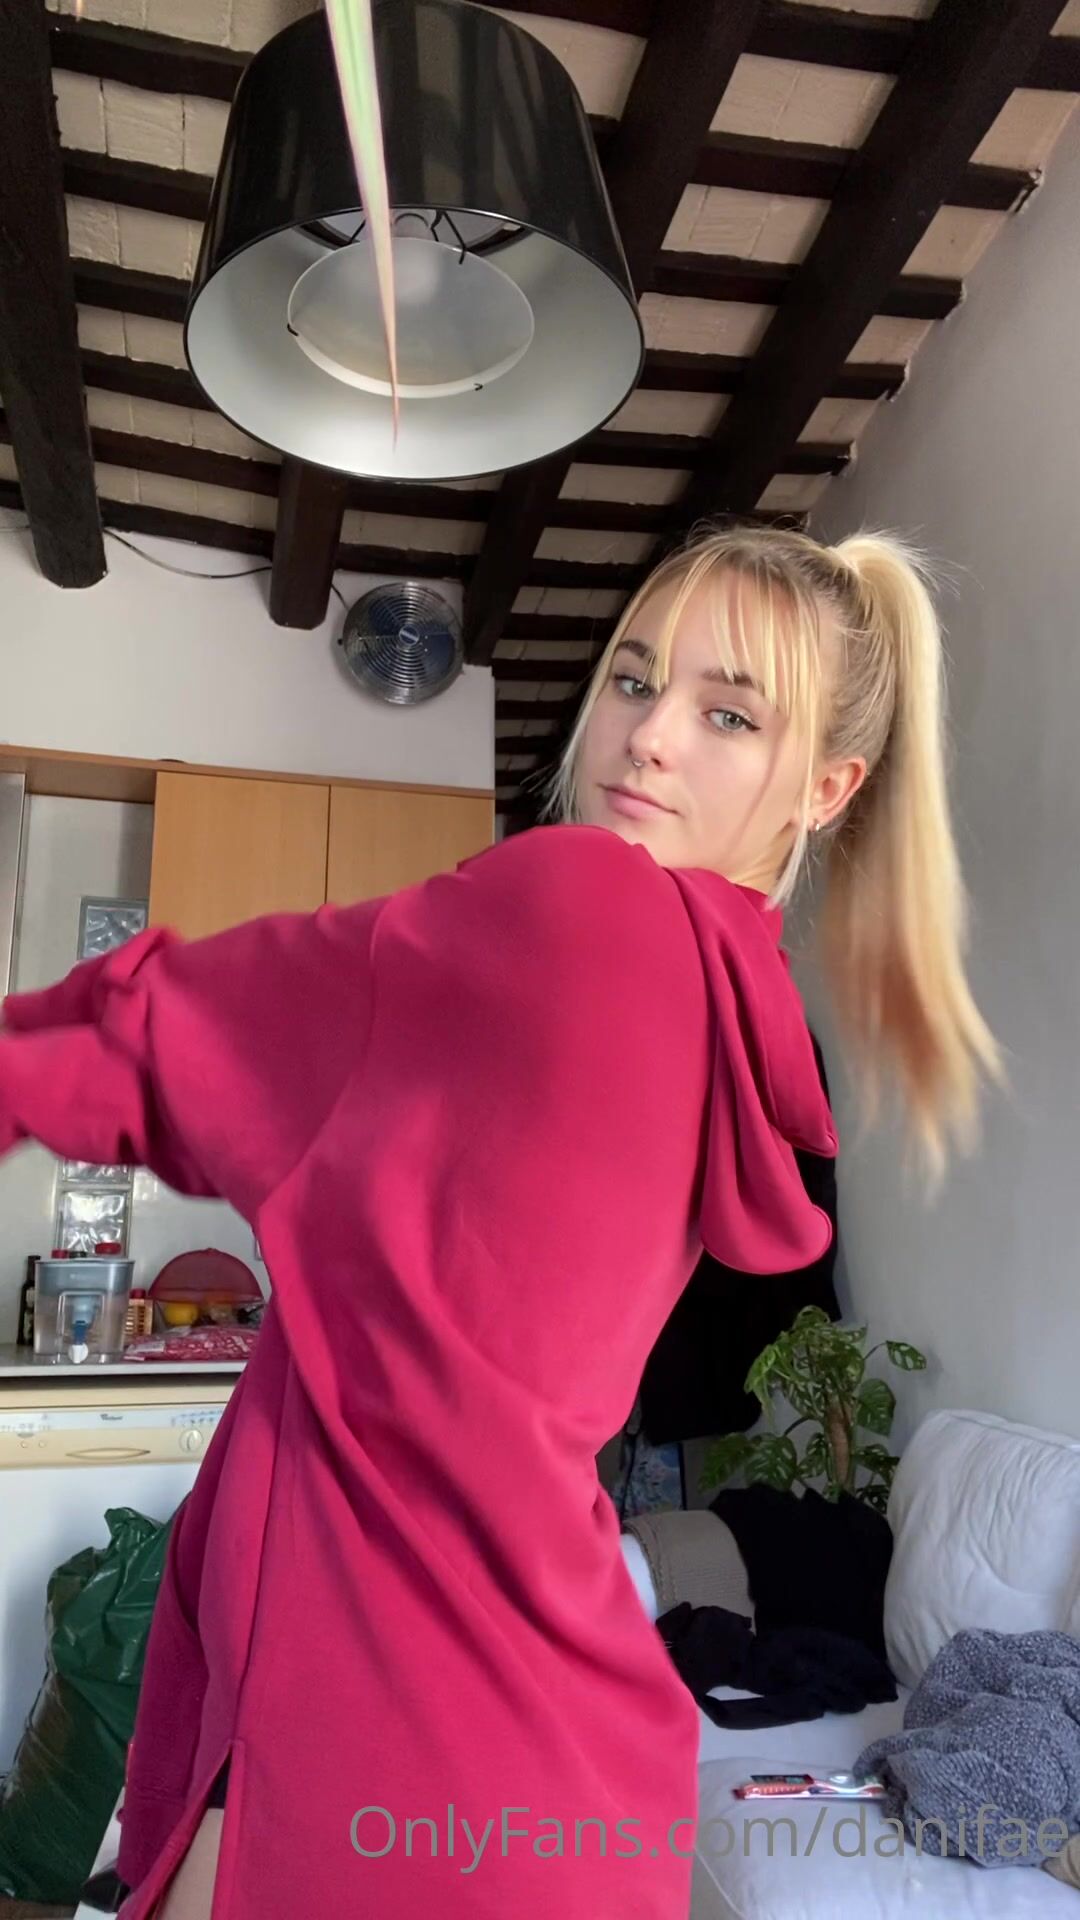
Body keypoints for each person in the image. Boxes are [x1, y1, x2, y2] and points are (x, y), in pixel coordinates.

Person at [0, 524, 998, 1920]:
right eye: (636, 679)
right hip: (542, 1759)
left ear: (827, 788)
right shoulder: (725, 1006)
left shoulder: (580, 900)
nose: (647, 737)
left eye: (728, 714)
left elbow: (180, 1033)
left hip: (387, 1717)